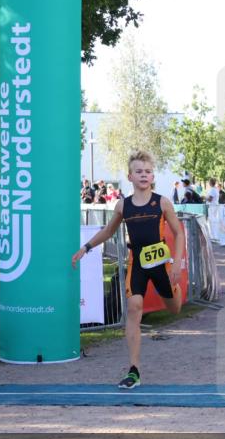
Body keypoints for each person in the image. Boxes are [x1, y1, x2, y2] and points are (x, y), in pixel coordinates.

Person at [71, 150, 184, 389]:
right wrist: (86, 247)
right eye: (138, 171)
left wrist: (177, 262)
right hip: (138, 263)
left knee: (174, 308)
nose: (143, 175)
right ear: (130, 176)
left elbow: (178, 233)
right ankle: (134, 370)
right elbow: (108, 231)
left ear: (152, 176)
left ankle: (175, 291)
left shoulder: (162, 202)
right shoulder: (123, 205)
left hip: (161, 263)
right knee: (134, 308)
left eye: (148, 171)